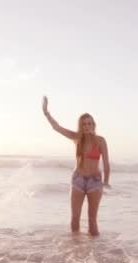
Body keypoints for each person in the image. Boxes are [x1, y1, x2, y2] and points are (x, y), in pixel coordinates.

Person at [42, 96, 110, 236]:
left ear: (93, 125)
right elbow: (57, 127)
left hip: (95, 182)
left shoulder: (100, 141)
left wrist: (106, 181)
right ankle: (75, 251)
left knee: (92, 220)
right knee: (75, 218)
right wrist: (46, 112)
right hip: (78, 180)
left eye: (89, 123)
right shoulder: (77, 138)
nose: (87, 126)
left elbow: (106, 163)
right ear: (81, 126)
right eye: (84, 124)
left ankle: (95, 253)